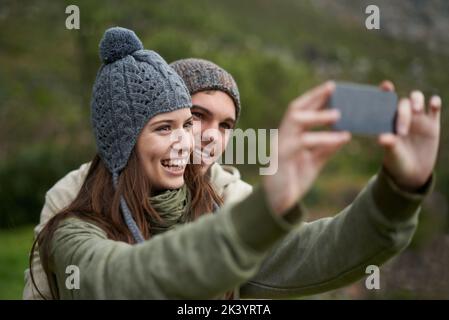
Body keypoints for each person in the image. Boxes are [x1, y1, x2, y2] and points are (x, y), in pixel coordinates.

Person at [24, 27, 441, 299]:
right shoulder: (73, 213)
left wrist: (399, 190)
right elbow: (130, 279)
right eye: (174, 123)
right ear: (125, 137)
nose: (197, 137)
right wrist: (267, 209)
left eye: (219, 125)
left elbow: (314, 252)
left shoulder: (224, 201)